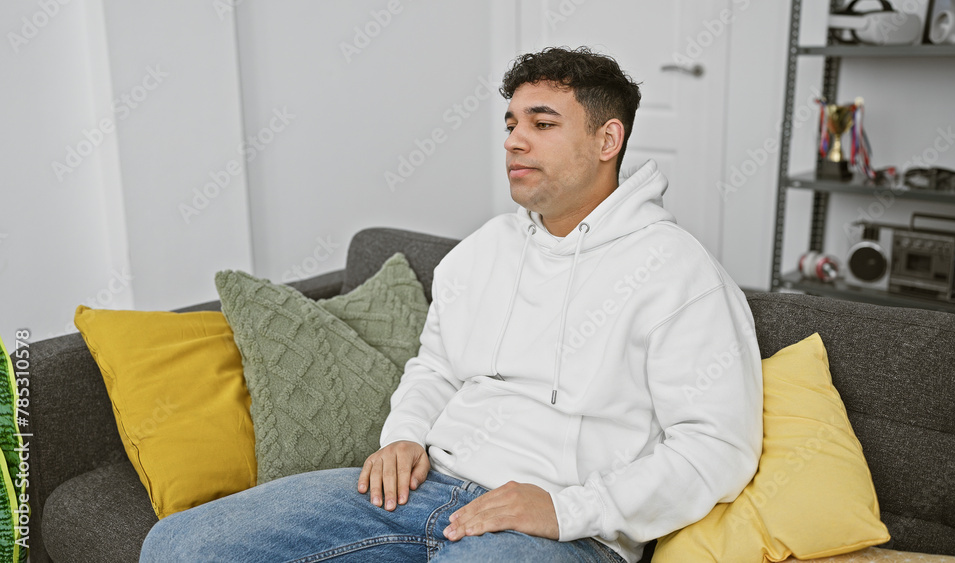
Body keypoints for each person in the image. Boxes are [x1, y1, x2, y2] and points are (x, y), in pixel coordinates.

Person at [140, 46, 763, 563]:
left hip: (561, 531)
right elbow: (435, 367)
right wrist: (404, 436)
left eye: (542, 125)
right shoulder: (484, 249)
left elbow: (716, 446)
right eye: (512, 124)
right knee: (179, 547)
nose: (516, 142)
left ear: (608, 139)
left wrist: (566, 508)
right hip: (425, 486)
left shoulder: (679, 273)